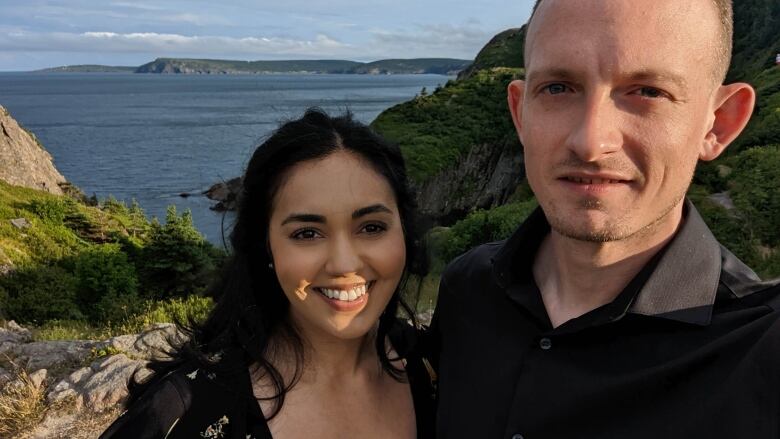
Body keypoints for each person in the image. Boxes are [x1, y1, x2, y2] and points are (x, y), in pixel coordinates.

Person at [428, 0, 779, 437]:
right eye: (558, 88)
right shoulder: (468, 289)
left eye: (648, 91)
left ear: (717, 125)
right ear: (521, 113)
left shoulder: (759, 347)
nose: (591, 142)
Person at [101, 109, 435, 438]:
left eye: (372, 227)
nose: (344, 264)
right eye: (307, 233)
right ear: (266, 247)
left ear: (403, 232)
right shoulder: (185, 411)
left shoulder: (432, 366)